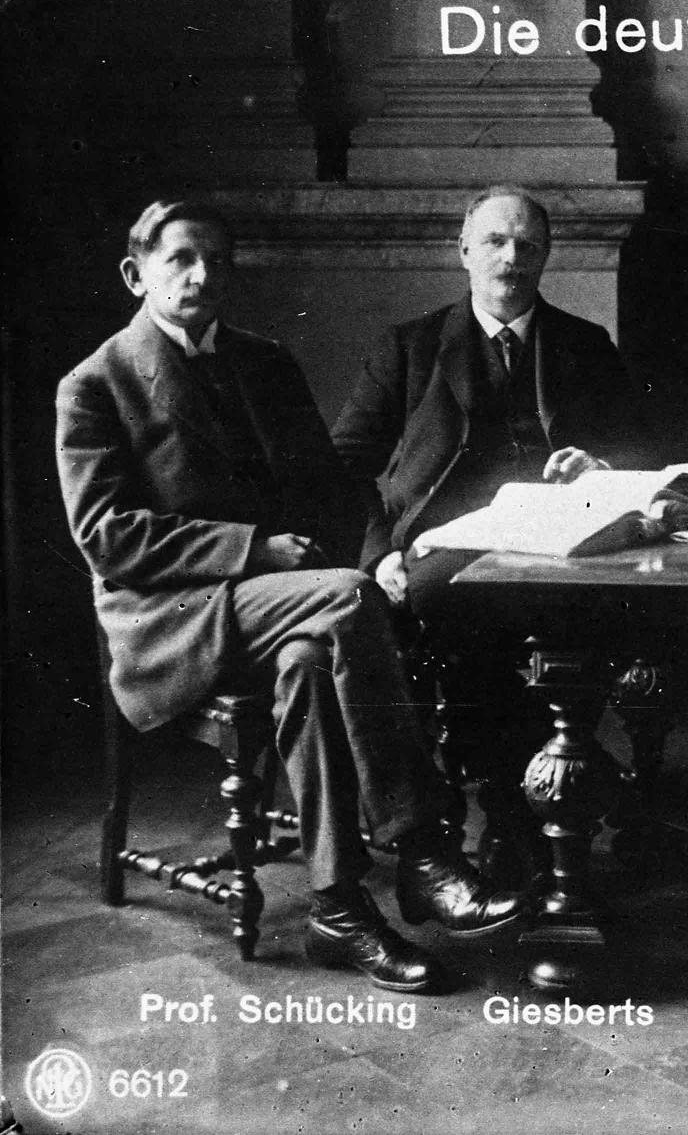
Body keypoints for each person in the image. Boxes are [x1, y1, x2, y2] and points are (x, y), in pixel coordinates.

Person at [57, 199, 524, 993]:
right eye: (181, 260)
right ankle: (421, 848)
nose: (203, 276)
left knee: (312, 658)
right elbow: (106, 536)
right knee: (343, 602)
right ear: (138, 274)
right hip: (170, 617)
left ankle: (337, 909)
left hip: (282, 605)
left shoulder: (265, 363)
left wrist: (376, 554)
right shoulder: (96, 384)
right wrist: (253, 549)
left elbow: (328, 487)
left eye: (216, 260)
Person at [330, 185, 646, 883]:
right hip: (448, 548)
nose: (512, 257)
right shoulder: (408, 349)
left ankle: (541, 800)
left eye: (528, 245)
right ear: (465, 250)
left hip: (562, 544)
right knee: (461, 607)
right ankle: (512, 807)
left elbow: (640, 454)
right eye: (497, 242)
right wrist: (379, 553)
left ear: (546, 257)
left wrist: (601, 466)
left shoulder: (584, 346)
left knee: (583, 621)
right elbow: (345, 467)